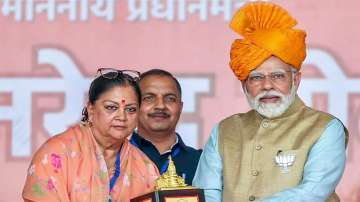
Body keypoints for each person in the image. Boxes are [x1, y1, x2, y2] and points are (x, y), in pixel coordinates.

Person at [193, 2, 348, 202]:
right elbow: (206, 193)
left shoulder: (325, 128)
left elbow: (311, 193)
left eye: (277, 76)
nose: (267, 85)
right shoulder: (225, 130)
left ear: (296, 80)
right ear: (244, 85)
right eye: (256, 77)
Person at [22, 68, 159, 202]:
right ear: (91, 109)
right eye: (111, 107)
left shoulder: (145, 168)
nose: (122, 116)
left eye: (131, 109)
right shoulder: (56, 154)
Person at [130, 69, 202, 185]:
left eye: (170, 99)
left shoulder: (201, 162)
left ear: (181, 107)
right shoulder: (114, 157)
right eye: (149, 98)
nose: (160, 105)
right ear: (133, 106)